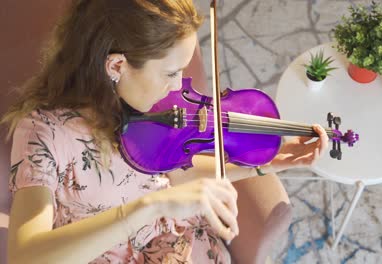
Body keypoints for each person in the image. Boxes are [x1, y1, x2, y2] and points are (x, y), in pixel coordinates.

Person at [1, 0, 329, 263]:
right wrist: (154, 206)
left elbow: (171, 172)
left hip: (180, 241)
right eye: (171, 73)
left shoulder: (148, 107)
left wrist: (264, 164)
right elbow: (24, 256)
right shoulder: (42, 133)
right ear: (116, 66)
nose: (179, 87)